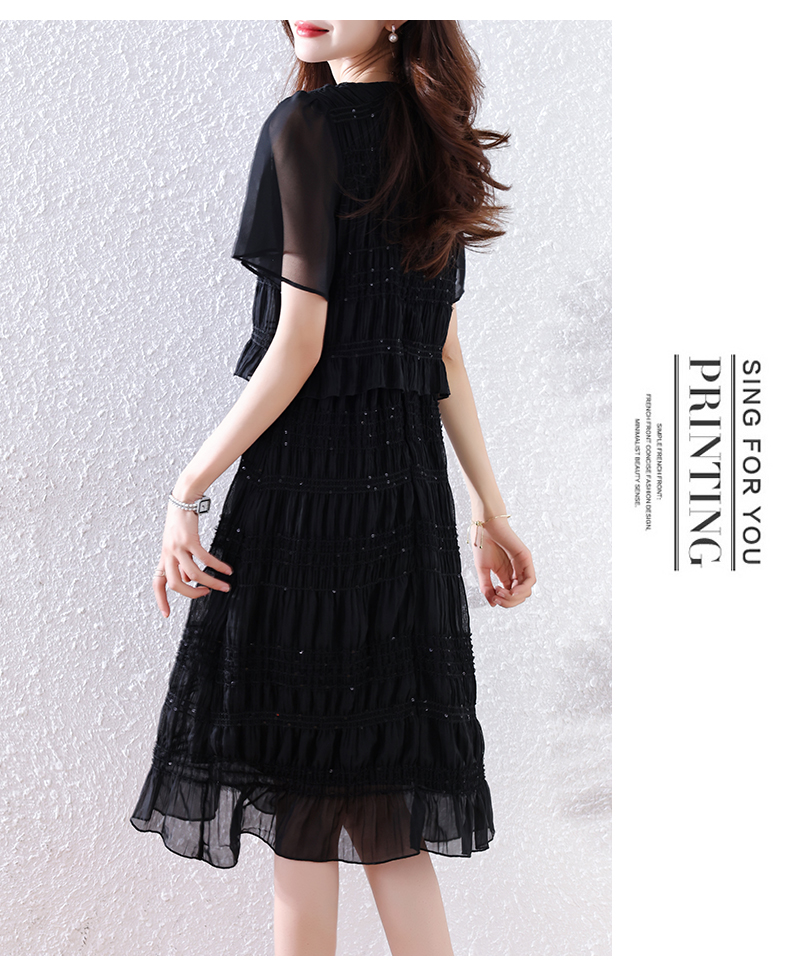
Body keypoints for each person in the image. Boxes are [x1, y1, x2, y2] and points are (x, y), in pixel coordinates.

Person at [130, 20, 536, 956]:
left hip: (306, 496)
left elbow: (301, 343)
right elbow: (444, 354)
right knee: (384, 812)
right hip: (406, 508)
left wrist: (187, 489)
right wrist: (489, 509)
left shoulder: (305, 125)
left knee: (303, 797)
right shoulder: (433, 139)